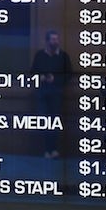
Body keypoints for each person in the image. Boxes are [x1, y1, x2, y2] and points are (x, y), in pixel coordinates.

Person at [30, 29, 71, 159]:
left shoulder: (64, 56)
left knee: (55, 122)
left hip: (56, 93)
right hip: (42, 93)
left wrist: (56, 79)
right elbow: (32, 73)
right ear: (47, 41)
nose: (55, 42)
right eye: (53, 39)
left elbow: (68, 74)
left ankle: (53, 149)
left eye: (56, 39)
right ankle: (46, 150)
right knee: (44, 122)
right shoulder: (39, 56)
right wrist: (41, 78)